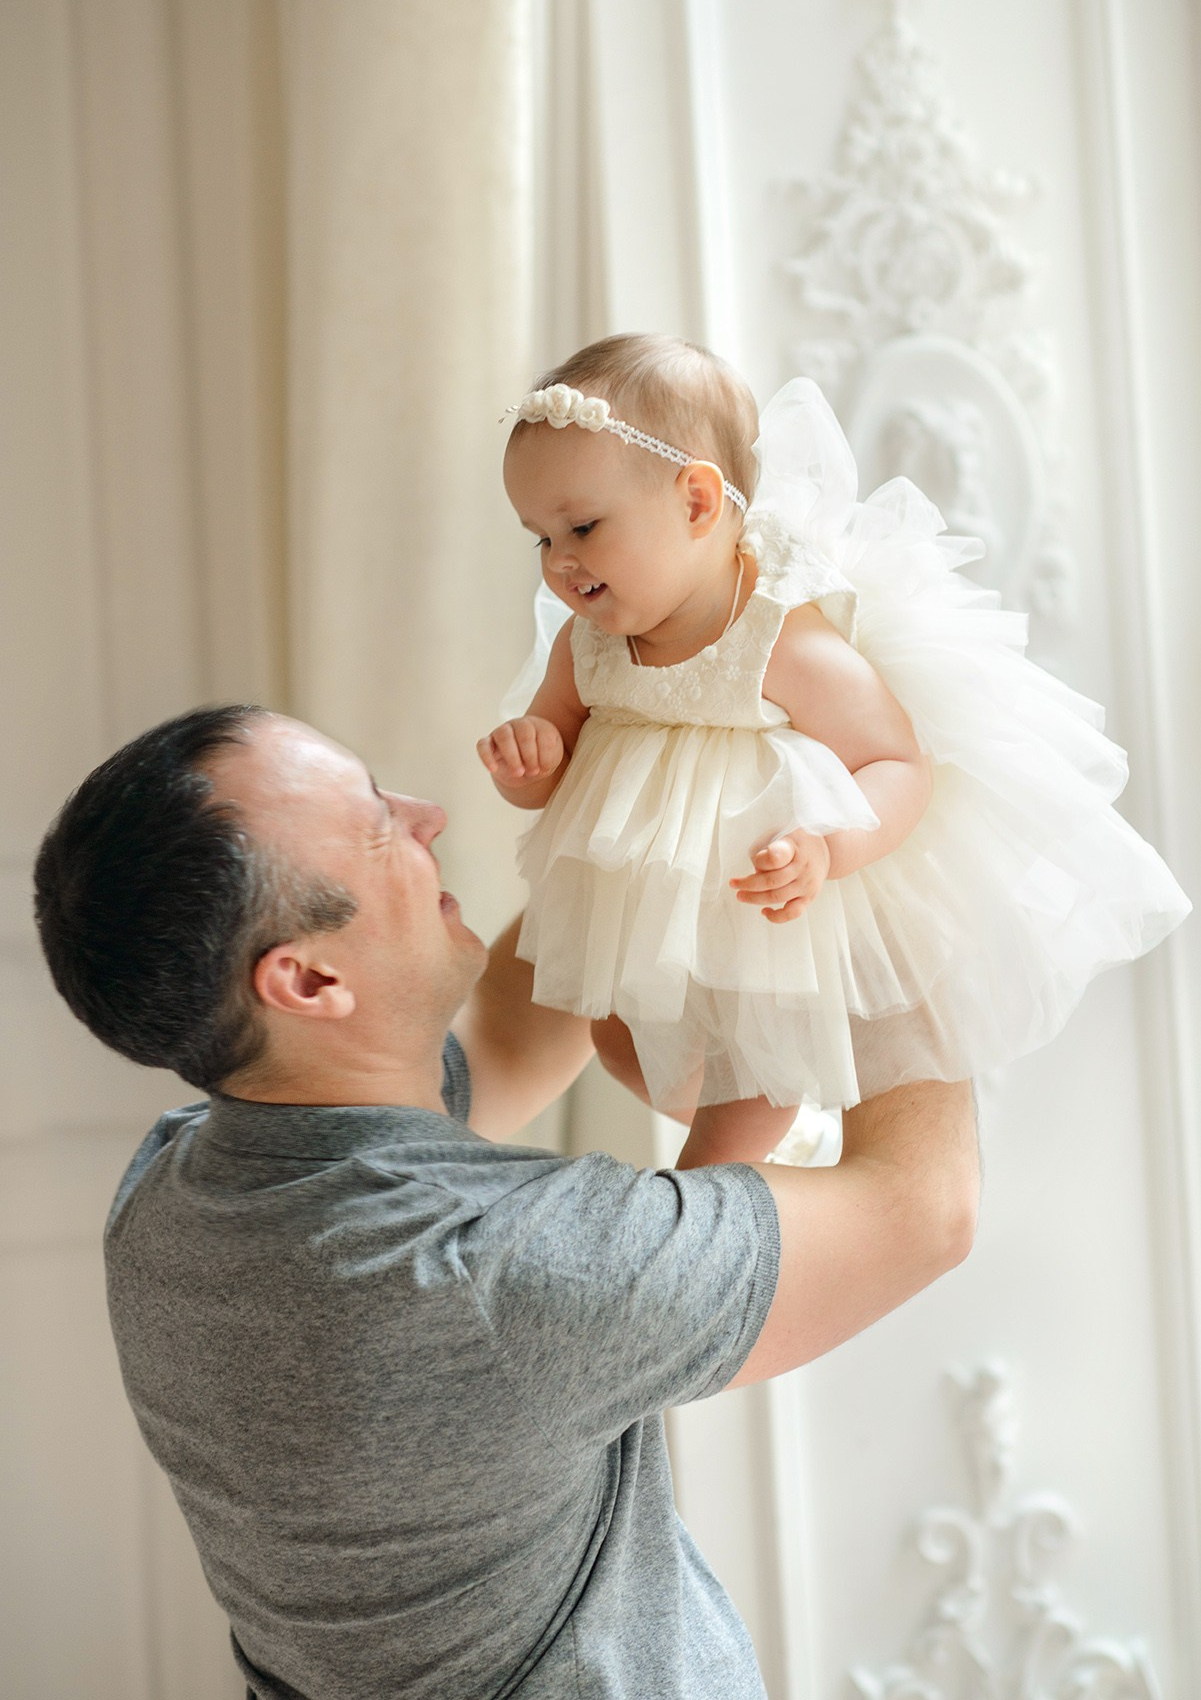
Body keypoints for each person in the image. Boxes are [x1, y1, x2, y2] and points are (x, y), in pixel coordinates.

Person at [34, 702, 977, 1700]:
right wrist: (881, 901)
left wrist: (652, 790)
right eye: (377, 824)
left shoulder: (175, 1194)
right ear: (306, 979)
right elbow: (922, 1210)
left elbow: (515, 1029)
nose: (428, 814)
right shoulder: (494, 1272)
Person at [479, 333, 1190, 1171]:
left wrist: (828, 849)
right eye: (540, 539)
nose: (560, 564)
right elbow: (550, 774)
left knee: (744, 1078)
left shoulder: (779, 637)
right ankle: (792, 1146)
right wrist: (530, 757)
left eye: (582, 528)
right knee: (618, 1045)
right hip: (646, 898)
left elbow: (898, 763)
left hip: (765, 899)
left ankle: (718, 1188)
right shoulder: (586, 646)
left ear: (697, 503)